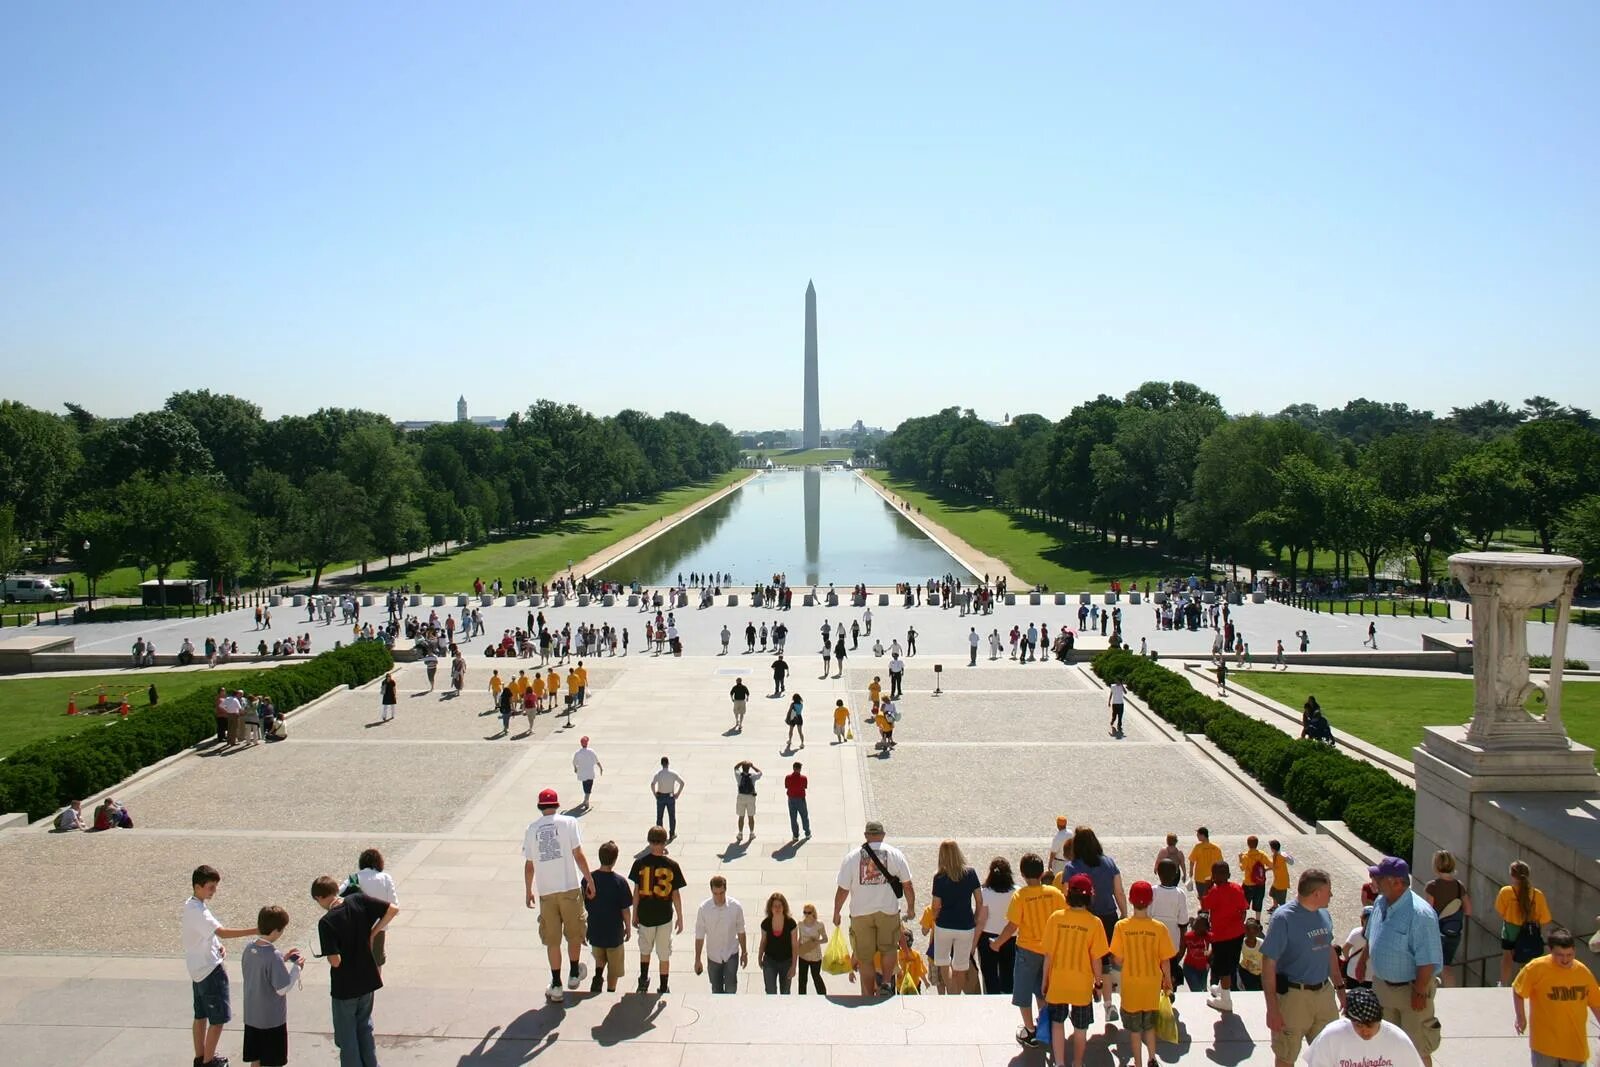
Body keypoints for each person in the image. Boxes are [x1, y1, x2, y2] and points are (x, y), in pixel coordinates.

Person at [1260, 867, 1345, 1067]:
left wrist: (1340, 987)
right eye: (1328, 891)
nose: (1331, 895)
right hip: (1294, 998)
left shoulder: (1325, 914)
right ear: (1316, 893)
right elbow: (1268, 964)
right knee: (1286, 1055)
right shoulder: (1283, 918)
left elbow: (1329, 951)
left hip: (1324, 994)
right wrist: (1272, 1009)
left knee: (1331, 1054)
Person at [312, 873, 398, 1067]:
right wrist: (374, 932)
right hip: (367, 977)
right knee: (365, 1028)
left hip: (345, 986)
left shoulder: (326, 922)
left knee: (347, 1036)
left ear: (320, 897)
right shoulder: (357, 900)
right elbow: (392, 909)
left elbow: (335, 961)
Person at [1366, 855, 1444, 1065]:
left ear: (1397, 882)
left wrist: (1419, 990)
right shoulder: (1380, 902)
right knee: (1385, 1049)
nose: (1374, 881)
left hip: (1412, 990)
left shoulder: (1420, 914)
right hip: (1383, 988)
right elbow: (1372, 934)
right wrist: (1366, 957)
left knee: (1416, 1049)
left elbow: (1427, 958)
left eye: (1379, 878)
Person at [522, 787, 596, 1003]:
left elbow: (529, 864)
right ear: (556, 805)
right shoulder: (569, 822)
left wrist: (529, 890)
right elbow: (578, 854)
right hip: (569, 887)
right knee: (574, 933)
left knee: (552, 939)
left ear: (540, 806)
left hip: (546, 892)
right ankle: (574, 972)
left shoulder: (531, 829)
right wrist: (589, 879)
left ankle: (556, 984)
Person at [184, 865, 259, 1067]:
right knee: (217, 1020)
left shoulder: (190, 905)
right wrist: (257, 930)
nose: (214, 891)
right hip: (210, 971)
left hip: (196, 969)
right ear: (198, 886)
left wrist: (218, 946)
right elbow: (221, 931)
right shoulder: (200, 911)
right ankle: (209, 1062)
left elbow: (206, 935)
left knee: (200, 1015)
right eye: (210, 887)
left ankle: (200, 1056)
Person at [833, 819, 916, 996]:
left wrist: (836, 911)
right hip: (888, 910)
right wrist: (911, 908)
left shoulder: (852, 857)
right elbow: (907, 885)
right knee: (888, 948)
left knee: (864, 956)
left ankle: (868, 992)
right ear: (883, 835)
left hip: (861, 913)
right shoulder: (896, 854)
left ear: (866, 835)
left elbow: (843, 889)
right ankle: (886, 982)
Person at [991, 852, 1065, 1047]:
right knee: (1043, 990)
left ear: (1022, 874)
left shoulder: (1021, 896)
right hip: (1050, 950)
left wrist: (997, 943)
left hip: (1027, 950)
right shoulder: (1055, 894)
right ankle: (1044, 1024)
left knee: (1023, 992)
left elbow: (1012, 926)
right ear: (1042, 873)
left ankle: (1030, 1030)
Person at [1040, 873, 1108, 1067]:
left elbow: (1049, 955)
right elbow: (1097, 959)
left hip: (1058, 980)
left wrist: (1045, 981)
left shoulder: (1056, 918)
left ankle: (1060, 1062)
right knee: (1080, 1028)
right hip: (1082, 985)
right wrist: (1098, 982)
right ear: (1089, 896)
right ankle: (1077, 1062)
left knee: (1057, 1023)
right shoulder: (1094, 923)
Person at [1512, 926, 1600, 1067]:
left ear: (1574, 951)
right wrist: (1520, 1017)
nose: (1565, 960)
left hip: (1574, 1046)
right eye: (1560, 955)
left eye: (1569, 955)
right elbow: (1518, 990)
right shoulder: (1536, 968)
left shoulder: (1582, 972)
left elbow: (1596, 1002)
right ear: (1551, 951)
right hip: (1545, 1046)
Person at [1061, 826, 1127, 1016]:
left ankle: (1082, 1001)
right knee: (1104, 963)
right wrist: (1124, 914)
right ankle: (1108, 1004)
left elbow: (1066, 896)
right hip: (1107, 917)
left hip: (1082, 917)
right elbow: (1119, 892)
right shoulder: (1109, 863)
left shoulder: (1071, 867)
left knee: (1081, 961)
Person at [1110, 881, 1175, 1067]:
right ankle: (1152, 1058)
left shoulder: (1121, 927)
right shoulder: (1159, 928)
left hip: (1131, 986)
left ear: (1130, 900)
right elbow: (1165, 960)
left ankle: (1138, 1063)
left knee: (1135, 1030)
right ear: (1150, 901)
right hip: (1152, 985)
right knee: (1149, 1026)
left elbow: (1118, 960)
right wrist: (1167, 980)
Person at [241, 905, 304, 1067]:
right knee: (273, 1062)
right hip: (271, 1020)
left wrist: (284, 959)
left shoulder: (249, 949)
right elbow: (282, 988)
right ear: (276, 930)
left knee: (256, 1059)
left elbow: (261, 971)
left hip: (252, 1016)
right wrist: (296, 968)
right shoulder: (273, 955)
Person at [629, 825, 687, 994]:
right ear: (664, 843)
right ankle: (663, 985)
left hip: (646, 914)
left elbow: (636, 891)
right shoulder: (672, 865)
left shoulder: (639, 864)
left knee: (645, 949)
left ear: (649, 842)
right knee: (664, 953)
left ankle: (643, 979)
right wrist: (680, 915)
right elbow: (675, 894)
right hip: (664, 915)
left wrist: (635, 913)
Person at [1304, 987, 1423, 1067]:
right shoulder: (1331, 1036)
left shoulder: (1398, 1039)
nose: (1365, 1031)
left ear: (1379, 1020)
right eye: (1358, 1025)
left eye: (1370, 1025)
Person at [929, 839, 983, 995]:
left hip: (944, 924)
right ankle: (956, 994)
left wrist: (935, 917)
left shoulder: (939, 877)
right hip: (965, 924)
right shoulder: (970, 873)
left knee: (943, 962)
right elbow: (979, 900)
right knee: (960, 965)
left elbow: (936, 905)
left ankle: (951, 993)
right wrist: (976, 917)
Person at [584, 840, 633, 993]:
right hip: (614, 931)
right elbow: (625, 909)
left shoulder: (588, 879)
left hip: (595, 927)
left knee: (599, 955)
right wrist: (628, 927)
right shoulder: (620, 882)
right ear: (615, 859)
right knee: (614, 965)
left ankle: (598, 975)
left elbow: (582, 904)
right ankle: (611, 989)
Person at [1497, 859, 1553, 987]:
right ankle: (1524, 984)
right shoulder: (1537, 894)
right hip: (1530, 929)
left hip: (1510, 928)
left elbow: (1500, 910)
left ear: (1512, 875)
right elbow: (1545, 918)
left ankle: (1504, 983)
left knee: (1507, 956)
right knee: (1527, 956)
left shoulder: (1506, 891)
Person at [1202, 860, 1248, 1012]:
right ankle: (1222, 989)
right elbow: (1244, 909)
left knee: (1223, 968)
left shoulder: (1214, 892)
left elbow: (1205, 905)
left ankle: (1226, 999)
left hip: (1221, 936)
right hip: (1238, 934)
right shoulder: (1237, 888)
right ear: (1229, 874)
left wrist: (1207, 887)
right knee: (1231, 963)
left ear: (1213, 876)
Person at [1423, 849, 1470, 985]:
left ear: (1436, 865)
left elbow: (1428, 912)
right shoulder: (1458, 885)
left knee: (1430, 963)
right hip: (1454, 931)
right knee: (1447, 965)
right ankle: (1452, 993)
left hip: (1436, 931)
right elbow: (1468, 910)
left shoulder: (1432, 886)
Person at [693, 876, 747, 993]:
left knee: (731, 987)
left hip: (731, 953)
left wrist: (744, 952)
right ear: (711, 891)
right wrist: (697, 959)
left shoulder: (735, 906)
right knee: (716, 989)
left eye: (721, 893)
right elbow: (699, 935)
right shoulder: (704, 909)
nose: (719, 896)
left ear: (725, 890)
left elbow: (741, 930)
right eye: (715, 893)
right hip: (713, 956)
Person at [348, 848, 398, 970]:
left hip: (357, 927)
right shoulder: (385, 878)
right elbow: (395, 905)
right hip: (379, 927)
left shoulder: (354, 878)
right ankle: (373, 987)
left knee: (357, 960)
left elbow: (338, 894)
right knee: (376, 961)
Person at [976, 856, 1016, 995]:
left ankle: (992, 999)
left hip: (987, 936)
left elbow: (981, 920)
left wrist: (973, 942)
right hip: (1011, 936)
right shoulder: (1017, 892)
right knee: (1009, 974)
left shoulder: (985, 892)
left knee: (989, 974)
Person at [1150, 859, 1190, 989]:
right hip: (1172, 945)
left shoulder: (1153, 891)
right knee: (1170, 979)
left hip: (1153, 944)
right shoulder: (1180, 894)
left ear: (1158, 874)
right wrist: (1183, 946)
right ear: (1175, 875)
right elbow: (1183, 923)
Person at [759, 892, 799, 994]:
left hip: (786, 962)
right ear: (770, 908)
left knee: (785, 992)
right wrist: (759, 957)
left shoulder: (791, 924)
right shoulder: (765, 923)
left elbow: (795, 946)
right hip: (769, 961)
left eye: (779, 906)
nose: (777, 908)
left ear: (784, 907)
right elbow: (763, 942)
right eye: (774, 906)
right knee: (770, 991)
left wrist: (794, 966)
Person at [796, 903, 827, 994]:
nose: (806, 914)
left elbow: (825, 939)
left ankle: (822, 994)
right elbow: (800, 938)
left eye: (808, 912)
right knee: (802, 978)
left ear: (813, 913)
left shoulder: (819, 925)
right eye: (804, 912)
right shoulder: (800, 924)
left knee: (816, 977)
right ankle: (802, 997)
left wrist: (817, 941)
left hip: (815, 956)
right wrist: (797, 950)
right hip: (803, 955)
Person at [650, 756, 684, 839]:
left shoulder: (658, 774)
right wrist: (677, 793)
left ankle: (659, 835)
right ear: (668, 763)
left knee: (659, 817)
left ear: (661, 764)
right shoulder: (673, 774)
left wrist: (655, 794)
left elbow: (652, 784)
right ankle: (672, 834)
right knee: (671, 816)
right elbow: (682, 783)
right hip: (670, 796)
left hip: (660, 796)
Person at [1239, 835, 1271, 915]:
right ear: (1257, 844)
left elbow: (1242, 868)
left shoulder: (1246, 856)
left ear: (1248, 844)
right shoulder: (1262, 854)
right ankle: (1258, 921)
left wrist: (1240, 859)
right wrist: (1265, 870)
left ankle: (1243, 921)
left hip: (1248, 883)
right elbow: (1271, 865)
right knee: (1258, 903)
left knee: (1244, 904)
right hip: (1260, 883)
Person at [1181, 914, 1212, 992]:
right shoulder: (1187, 936)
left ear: (1205, 927)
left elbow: (1217, 947)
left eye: (1199, 924)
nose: (1195, 924)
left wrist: (1209, 954)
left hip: (1203, 969)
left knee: (1202, 989)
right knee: (1197, 990)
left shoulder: (1209, 936)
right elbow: (1181, 951)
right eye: (1196, 922)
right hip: (1189, 968)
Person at [1189, 827, 1222, 897]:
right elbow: (1221, 863)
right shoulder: (1216, 848)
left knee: (1201, 896)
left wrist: (1191, 871)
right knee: (1210, 895)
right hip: (1211, 877)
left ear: (1203, 836)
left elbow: (1192, 861)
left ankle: (1203, 907)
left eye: (1198, 835)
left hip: (1199, 876)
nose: (1197, 837)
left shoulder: (1198, 847)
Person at [734, 760, 762, 840]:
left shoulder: (739, 775)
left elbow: (735, 768)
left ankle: (740, 833)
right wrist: (752, 766)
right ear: (749, 768)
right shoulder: (752, 776)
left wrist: (741, 762)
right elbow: (760, 772)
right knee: (751, 816)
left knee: (741, 816)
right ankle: (751, 833)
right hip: (750, 797)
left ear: (742, 768)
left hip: (741, 797)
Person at [573, 736, 603, 810]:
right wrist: (601, 768)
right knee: (589, 787)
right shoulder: (591, 751)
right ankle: (586, 800)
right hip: (590, 772)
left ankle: (585, 799)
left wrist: (575, 768)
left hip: (582, 773)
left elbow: (574, 762)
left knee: (585, 786)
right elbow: (597, 761)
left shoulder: (578, 753)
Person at [784, 761, 810, 840]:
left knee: (793, 818)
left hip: (791, 799)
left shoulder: (788, 777)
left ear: (793, 768)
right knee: (804, 816)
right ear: (800, 769)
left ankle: (795, 835)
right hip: (801, 800)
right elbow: (805, 787)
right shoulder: (804, 778)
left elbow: (786, 786)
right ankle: (807, 833)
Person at [1268, 839, 1295, 909]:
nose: (1270, 849)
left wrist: (1287, 856)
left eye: (1271, 847)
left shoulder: (1281, 856)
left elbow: (1291, 862)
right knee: (1273, 893)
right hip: (1277, 880)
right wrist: (1266, 869)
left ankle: (1282, 910)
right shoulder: (1275, 855)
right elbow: (1274, 866)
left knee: (1282, 900)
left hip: (1282, 881)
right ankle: (1275, 906)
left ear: (1273, 848)